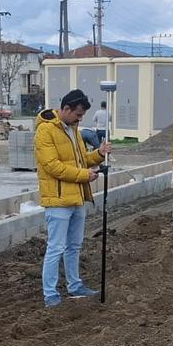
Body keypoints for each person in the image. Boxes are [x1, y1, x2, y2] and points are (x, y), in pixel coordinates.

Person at [34, 88, 111, 306]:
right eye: (77, 114)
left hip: (77, 197)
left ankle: (74, 285)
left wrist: (98, 154)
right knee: (56, 247)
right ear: (65, 109)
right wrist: (84, 176)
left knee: (74, 246)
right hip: (58, 200)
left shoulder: (72, 129)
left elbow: (79, 160)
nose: (80, 118)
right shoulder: (45, 131)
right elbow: (52, 167)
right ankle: (50, 295)